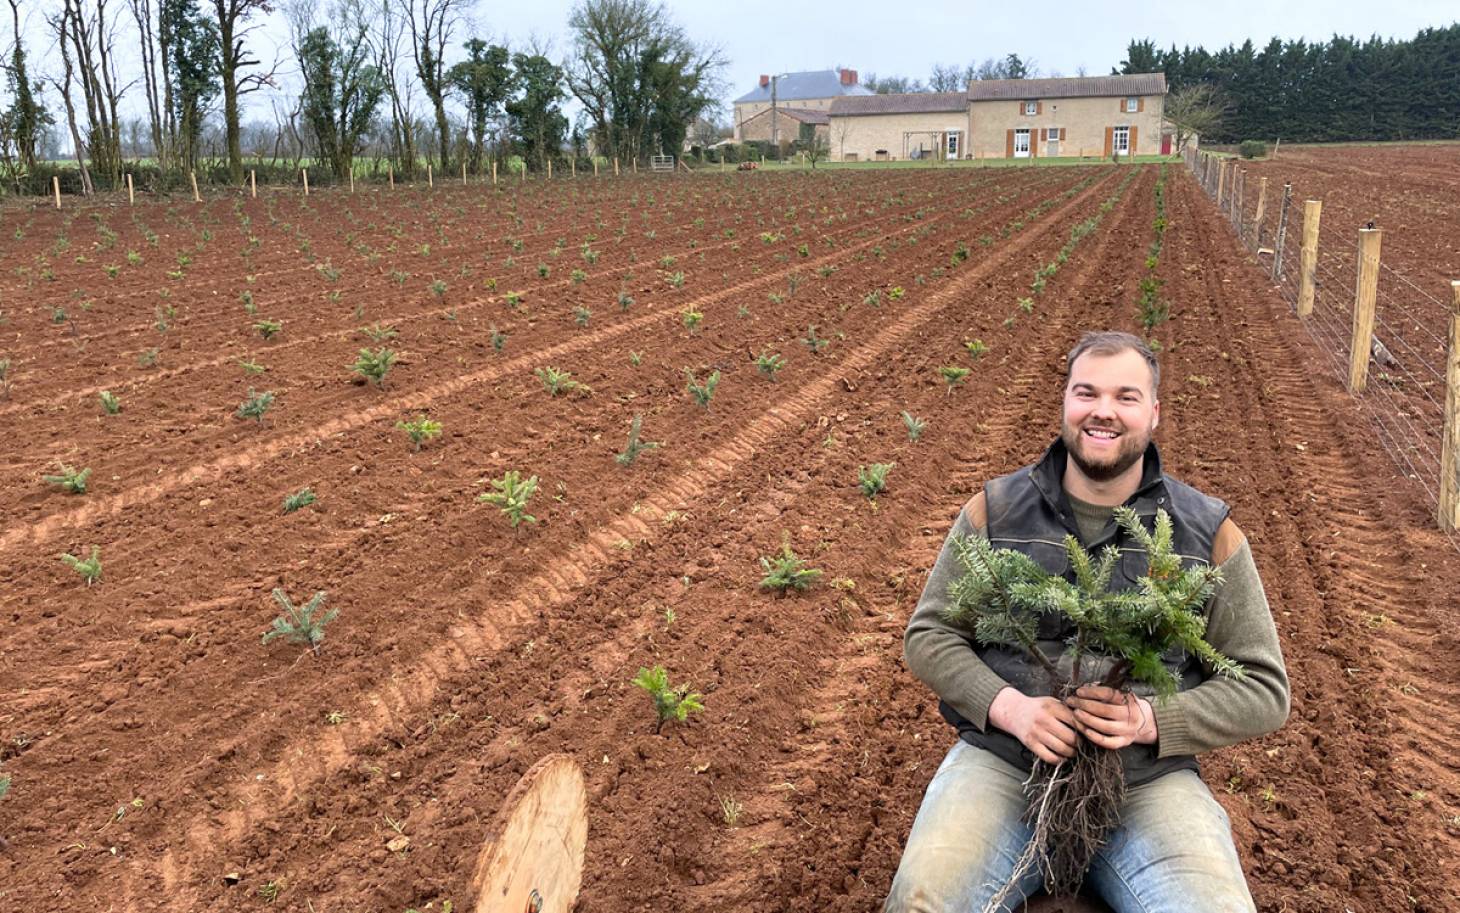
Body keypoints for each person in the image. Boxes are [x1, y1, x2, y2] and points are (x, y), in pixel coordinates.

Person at [885, 331, 1290, 913]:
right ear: (1066, 403)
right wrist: (1010, 707)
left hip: (1147, 783)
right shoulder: (995, 511)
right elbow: (930, 633)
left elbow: (1264, 688)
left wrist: (1150, 719)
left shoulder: (1206, 533)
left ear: (1154, 411)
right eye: (1087, 393)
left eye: (1127, 396)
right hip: (1002, 764)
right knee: (924, 900)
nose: (1104, 411)